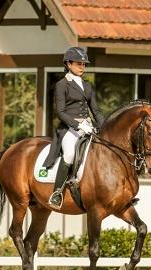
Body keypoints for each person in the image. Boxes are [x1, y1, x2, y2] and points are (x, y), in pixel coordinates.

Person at [43, 47, 105, 209]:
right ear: (68, 64)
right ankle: (57, 193)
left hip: (88, 126)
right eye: (79, 63)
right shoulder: (62, 85)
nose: (82, 66)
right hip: (69, 128)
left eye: (84, 64)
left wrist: (104, 127)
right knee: (70, 153)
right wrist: (78, 125)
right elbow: (60, 112)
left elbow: (96, 111)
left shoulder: (87, 85)